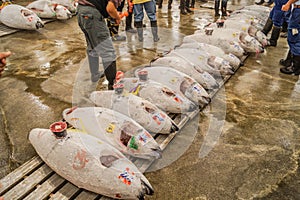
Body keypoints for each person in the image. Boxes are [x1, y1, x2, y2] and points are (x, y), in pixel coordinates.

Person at [77, 0, 120, 89]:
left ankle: (95, 74)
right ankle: (113, 85)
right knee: (108, 51)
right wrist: (117, 17)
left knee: (92, 46)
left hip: (81, 10)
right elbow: (110, 9)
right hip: (91, 14)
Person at [280, 0, 300, 75]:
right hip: (297, 9)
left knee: (294, 39)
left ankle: (295, 67)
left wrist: (288, 3)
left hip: (298, 11)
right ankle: (289, 61)